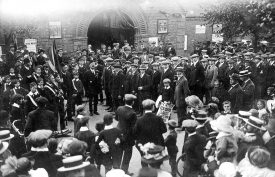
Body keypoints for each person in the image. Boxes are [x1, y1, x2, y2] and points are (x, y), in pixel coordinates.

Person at [134, 99, 167, 167]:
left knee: (144, 160)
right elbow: (164, 130)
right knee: (156, 161)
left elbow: (135, 133)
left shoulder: (139, 120)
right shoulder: (158, 118)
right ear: (153, 107)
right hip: (157, 143)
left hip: (144, 145)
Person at [115, 94, 137, 175]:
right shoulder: (133, 113)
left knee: (118, 153)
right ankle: (124, 171)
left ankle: (117, 171)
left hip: (118, 132)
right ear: (133, 102)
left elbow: (116, 119)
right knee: (127, 155)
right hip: (128, 136)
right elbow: (133, 128)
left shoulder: (119, 108)